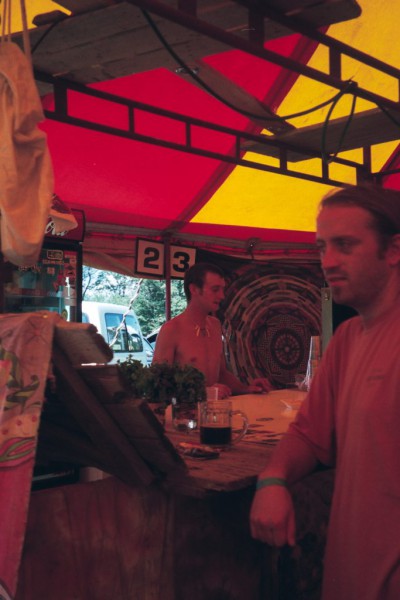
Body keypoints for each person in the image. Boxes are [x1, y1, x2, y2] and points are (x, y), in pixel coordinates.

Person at [249, 183, 400, 600]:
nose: (328, 262)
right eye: (322, 247)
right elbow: (307, 434)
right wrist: (273, 479)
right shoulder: (347, 339)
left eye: (345, 245)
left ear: (393, 250)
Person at [153, 262, 272, 397]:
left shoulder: (215, 325)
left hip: (215, 408)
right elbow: (158, 384)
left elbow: (221, 374)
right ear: (194, 289)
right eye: (215, 290)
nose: (222, 296)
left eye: (222, 289)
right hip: (186, 410)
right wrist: (202, 393)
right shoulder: (171, 329)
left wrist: (247, 388)